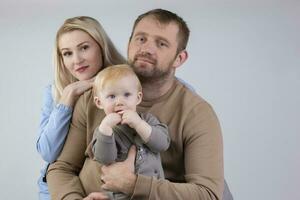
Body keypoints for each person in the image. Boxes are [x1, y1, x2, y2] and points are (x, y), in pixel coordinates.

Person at [47, 9, 232, 200]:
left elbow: (208, 194)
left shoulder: (196, 113)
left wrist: (133, 184)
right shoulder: (95, 97)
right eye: (141, 39)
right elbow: (61, 168)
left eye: (161, 43)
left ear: (179, 58)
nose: (146, 49)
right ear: (129, 44)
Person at [36, 16, 125, 200]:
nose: (77, 60)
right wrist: (69, 95)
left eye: (84, 48)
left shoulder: (123, 82)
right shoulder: (55, 92)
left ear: (101, 46)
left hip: (101, 189)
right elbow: (48, 152)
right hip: (55, 189)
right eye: (67, 53)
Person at [89, 64, 170, 199]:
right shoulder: (103, 131)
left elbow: (162, 144)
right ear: (99, 102)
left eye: (127, 95)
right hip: (123, 196)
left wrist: (139, 124)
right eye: (111, 96)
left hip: (154, 192)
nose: (119, 102)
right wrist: (105, 129)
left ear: (138, 98)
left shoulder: (148, 120)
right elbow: (105, 159)